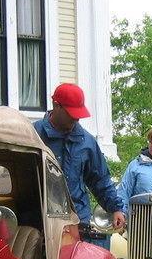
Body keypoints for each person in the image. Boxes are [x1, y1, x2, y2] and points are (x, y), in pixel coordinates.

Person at [33, 83, 125, 247]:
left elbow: (100, 180)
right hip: (40, 222)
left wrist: (115, 208)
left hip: (77, 222)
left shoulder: (87, 142)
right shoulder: (34, 135)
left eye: (78, 114)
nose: (76, 118)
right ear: (56, 106)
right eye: (71, 114)